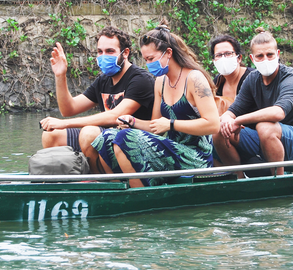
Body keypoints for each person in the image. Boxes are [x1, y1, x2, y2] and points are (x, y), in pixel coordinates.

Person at [91, 22, 219, 188]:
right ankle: (123, 188)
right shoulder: (160, 81)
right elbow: (155, 126)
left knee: (124, 138)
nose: (148, 64)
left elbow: (213, 124)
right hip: (168, 148)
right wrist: (133, 122)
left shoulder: (195, 79)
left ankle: (141, 195)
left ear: (168, 53)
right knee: (107, 137)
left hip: (194, 156)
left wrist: (171, 124)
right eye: (145, 60)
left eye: (151, 59)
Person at [40, 27, 154, 173]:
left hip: (131, 142)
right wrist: (60, 75)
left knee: (89, 133)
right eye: (100, 52)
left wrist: (64, 123)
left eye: (110, 51)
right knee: (51, 134)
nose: (103, 56)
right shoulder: (103, 81)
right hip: (103, 139)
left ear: (125, 53)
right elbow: (68, 109)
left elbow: (115, 116)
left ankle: (99, 182)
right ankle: (69, 179)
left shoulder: (140, 79)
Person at [214, 28, 293, 176]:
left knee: (265, 127)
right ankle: (239, 180)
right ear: (252, 58)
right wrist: (227, 120)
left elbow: (278, 113)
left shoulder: (292, 78)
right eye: (260, 56)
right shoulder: (252, 79)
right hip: (265, 142)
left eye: (270, 55)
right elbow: (233, 111)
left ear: (278, 54)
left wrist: (238, 120)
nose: (265, 59)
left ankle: (278, 181)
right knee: (220, 129)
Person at [209, 34, 253, 116]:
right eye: (218, 55)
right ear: (214, 60)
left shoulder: (252, 78)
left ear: (239, 58)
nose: (223, 58)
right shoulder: (218, 82)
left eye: (228, 53)